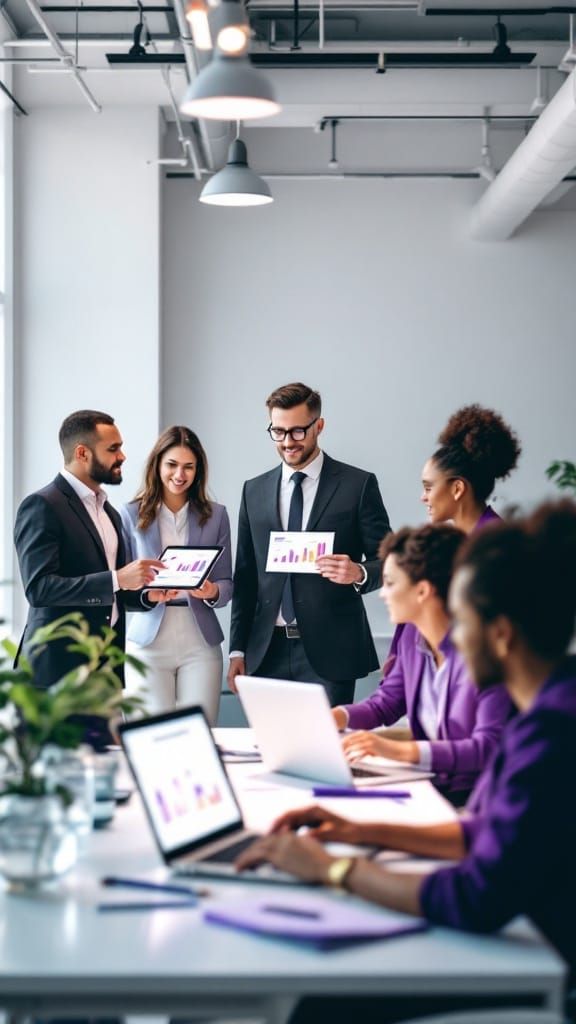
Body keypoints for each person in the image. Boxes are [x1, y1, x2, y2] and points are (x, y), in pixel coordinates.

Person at [236, 500, 576, 999]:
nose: (455, 635)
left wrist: (334, 869)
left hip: (542, 964)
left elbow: (473, 896)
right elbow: (486, 832)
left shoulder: (550, 735)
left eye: (462, 618)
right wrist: (355, 830)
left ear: (499, 635)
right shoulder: (546, 714)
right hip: (529, 935)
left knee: (323, 1000)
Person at [13, 410, 174, 746]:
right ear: (83, 453)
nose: (123, 456)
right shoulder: (42, 505)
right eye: (113, 448)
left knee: (104, 782)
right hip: (56, 677)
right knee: (59, 785)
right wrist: (117, 579)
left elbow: (115, 591)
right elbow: (40, 589)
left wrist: (146, 595)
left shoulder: (109, 512)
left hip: (104, 677)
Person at [227, 382, 391, 706]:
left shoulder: (358, 485)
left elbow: (391, 562)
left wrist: (358, 572)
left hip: (332, 653)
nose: (288, 442)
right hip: (265, 652)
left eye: (298, 432)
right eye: (278, 432)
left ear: (319, 426)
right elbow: (245, 578)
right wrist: (237, 649)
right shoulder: (253, 491)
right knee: (270, 755)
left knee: (326, 755)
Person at [333, 525, 511, 800]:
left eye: (390, 583)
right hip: (430, 787)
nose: (382, 593)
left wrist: (397, 750)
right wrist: (337, 716)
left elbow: (488, 748)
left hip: (479, 800)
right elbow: (387, 702)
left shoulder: (486, 652)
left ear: (422, 591)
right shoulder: (412, 638)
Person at [120, 426, 232, 723]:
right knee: (151, 737)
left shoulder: (216, 515)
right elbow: (123, 583)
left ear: (198, 470)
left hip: (200, 641)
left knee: (201, 734)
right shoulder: (131, 514)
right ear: (157, 464)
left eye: (188, 467)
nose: (179, 475)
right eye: (171, 464)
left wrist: (213, 592)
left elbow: (226, 582)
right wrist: (147, 594)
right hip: (148, 640)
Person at [422, 403, 521, 533]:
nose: (423, 497)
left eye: (428, 488)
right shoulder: (472, 539)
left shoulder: (495, 545)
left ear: (457, 489)